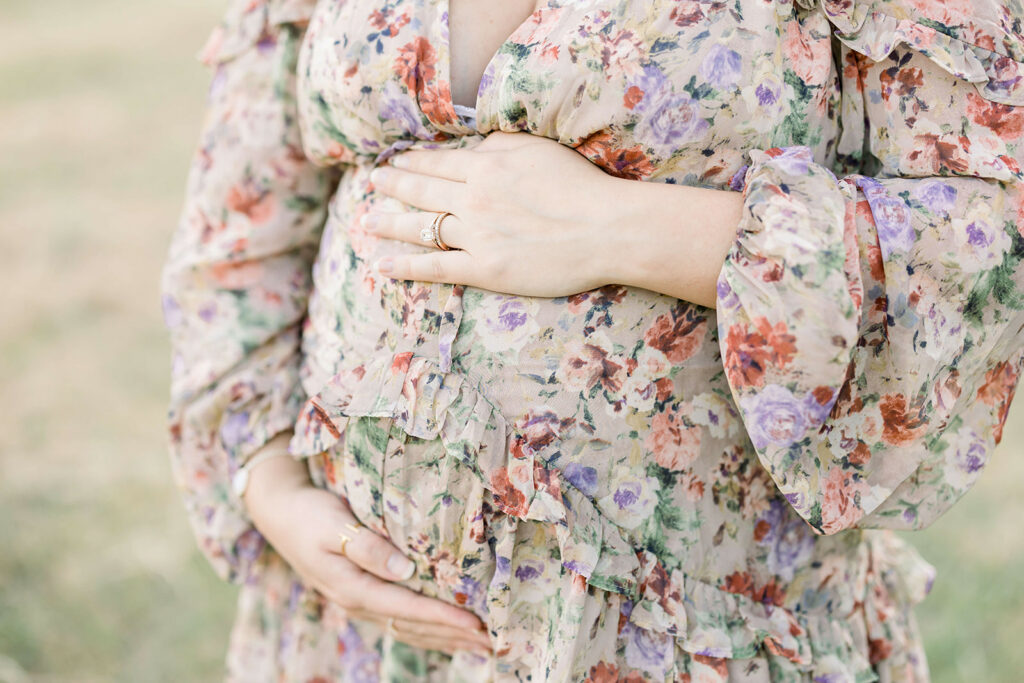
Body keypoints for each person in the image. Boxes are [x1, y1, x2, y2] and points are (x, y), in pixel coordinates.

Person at [160, 0, 1024, 679]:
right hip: (350, 637)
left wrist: (621, 228)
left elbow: (988, 240)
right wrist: (269, 484)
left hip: (674, 636)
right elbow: (242, 224)